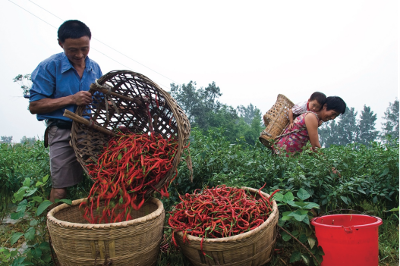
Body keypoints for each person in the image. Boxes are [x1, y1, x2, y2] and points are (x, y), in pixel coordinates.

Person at [29, 20, 103, 202]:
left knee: (105, 181)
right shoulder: (49, 67)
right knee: (60, 190)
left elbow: (103, 101)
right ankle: (53, 228)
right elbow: (35, 105)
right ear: (60, 43)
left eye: (84, 49)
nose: (79, 55)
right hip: (62, 131)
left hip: (89, 133)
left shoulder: (95, 69)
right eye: (72, 50)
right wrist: (72, 99)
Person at [274, 96, 346, 155]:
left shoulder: (316, 119)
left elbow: (303, 140)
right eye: (333, 113)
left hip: (287, 155)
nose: (332, 118)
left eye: (335, 116)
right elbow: (315, 146)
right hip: (282, 154)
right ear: (325, 106)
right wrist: (330, 167)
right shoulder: (311, 117)